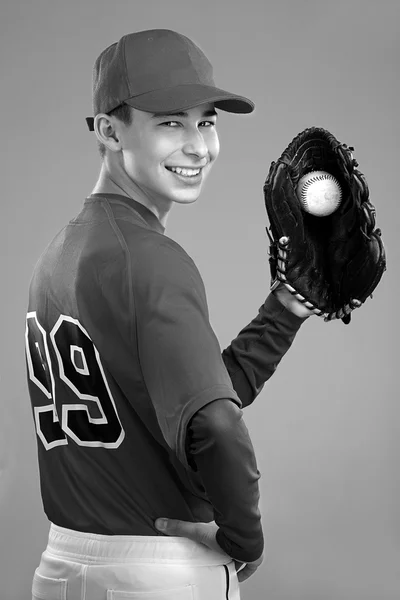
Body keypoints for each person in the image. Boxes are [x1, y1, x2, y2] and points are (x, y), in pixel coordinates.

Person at [26, 29, 315, 600]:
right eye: (169, 121)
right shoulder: (151, 257)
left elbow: (184, 406)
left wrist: (282, 313)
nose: (198, 145)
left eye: (206, 120)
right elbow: (213, 424)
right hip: (154, 572)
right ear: (109, 131)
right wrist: (244, 539)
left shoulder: (57, 255)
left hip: (63, 564)